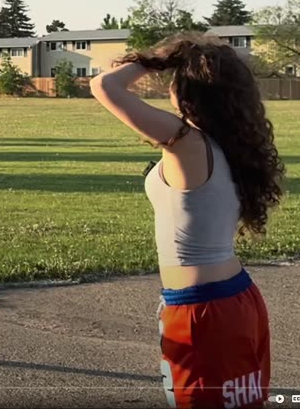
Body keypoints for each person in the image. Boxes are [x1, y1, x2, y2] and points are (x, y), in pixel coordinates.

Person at [91, 34, 285, 409]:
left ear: (189, 91)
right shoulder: (226, 144)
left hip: (205, 311)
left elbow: (105, 85)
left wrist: (162, 57)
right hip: (229, 300)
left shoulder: (188, 145)